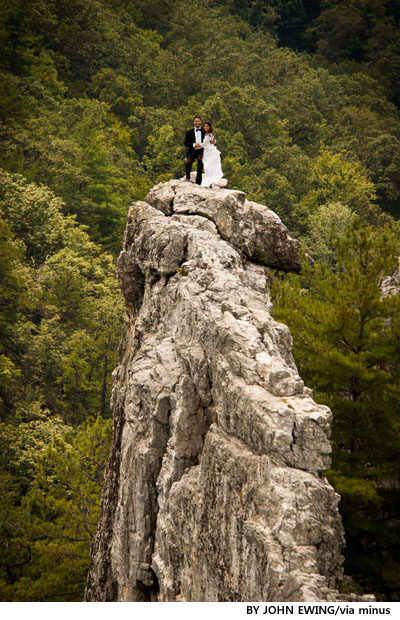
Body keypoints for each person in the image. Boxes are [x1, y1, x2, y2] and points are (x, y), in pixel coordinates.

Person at [200, 121, 223, 188]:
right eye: (205, 126)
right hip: (207, 151)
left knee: (209, 166)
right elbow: (213, 140)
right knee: (208, 167)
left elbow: (204, 144)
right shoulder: (207, 134)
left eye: (207, 126)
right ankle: (210, 182)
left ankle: (210, 182)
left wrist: (195, 145)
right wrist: (214, 141)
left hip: (210, 152)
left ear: (210, 127)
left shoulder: (209, 135)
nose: (205, 127)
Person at [184, 116, 205, 184]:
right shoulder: (189, 132)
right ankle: (188, 178)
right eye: (196, 121)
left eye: (198, 121)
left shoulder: (205, 131)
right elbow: (186, 143)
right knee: (188, 162)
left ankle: (198, 182)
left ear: (201, 122)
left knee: (200, 166)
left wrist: (202, 145)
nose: (197, 122)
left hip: (201, 151)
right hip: (192, 151)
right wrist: (194, 144)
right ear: (193, 122)